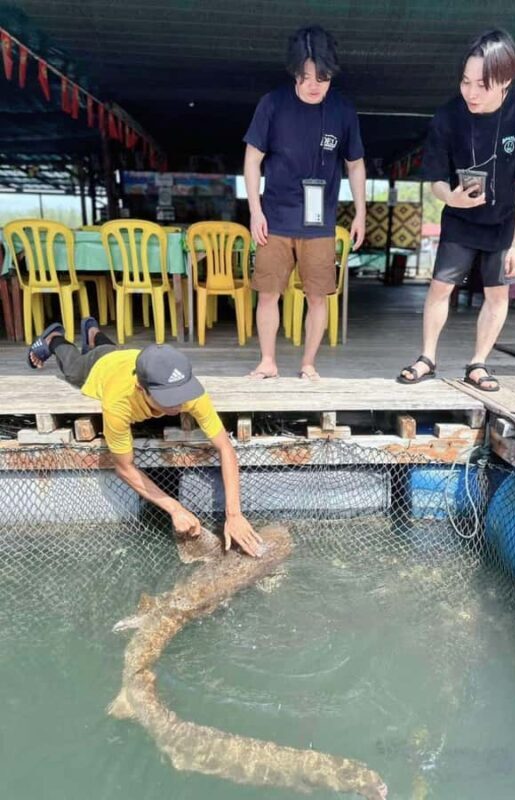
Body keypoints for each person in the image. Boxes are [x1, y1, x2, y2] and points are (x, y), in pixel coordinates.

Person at [27, 317, 262, 556]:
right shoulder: (117, 404)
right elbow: (125, 468)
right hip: (102, 368)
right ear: (142, 389)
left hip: (129, 358)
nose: (179, 402)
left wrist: (234, 514)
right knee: (74, 368)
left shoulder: (187, 388)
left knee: (110, 350)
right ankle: (54, 338)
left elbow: (225, 448)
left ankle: (94, 333)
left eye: (181, 394)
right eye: (169, 398)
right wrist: (174, 507)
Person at [398, 29, 515, 391]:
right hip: (461, 217)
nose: (471, 92)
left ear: (506, 80)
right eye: (466, 82)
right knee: (439, 287)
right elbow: (434, 177)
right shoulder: (449, 115)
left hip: (504, 222)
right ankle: (427, 358)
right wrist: (450, 198)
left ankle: (478, 364)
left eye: (482, 85)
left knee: (498, 293)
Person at [243, 24, 366, 381]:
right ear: (295, 72)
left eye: (323, 77)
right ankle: (267, 361)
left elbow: (355, 164)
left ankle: (308, 363)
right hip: (275, 218)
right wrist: (255, 211)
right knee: (268, 294)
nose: (315, 85)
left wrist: (360, 212)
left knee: (318, 296)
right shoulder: (272, 104)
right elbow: (252, 159)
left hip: (320, 223)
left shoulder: (343, 110)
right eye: (307, 76)